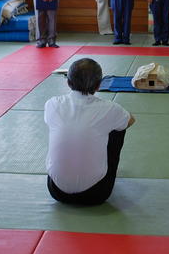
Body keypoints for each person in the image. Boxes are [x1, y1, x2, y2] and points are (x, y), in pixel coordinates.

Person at [45, 58, 135, 205]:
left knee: (64, 130)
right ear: (99, 85)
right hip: (97, 194)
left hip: (57, 191)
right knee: (118, 128)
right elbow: (130, 120)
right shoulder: (110, 108)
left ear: (68, 83)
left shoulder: (52, 104)